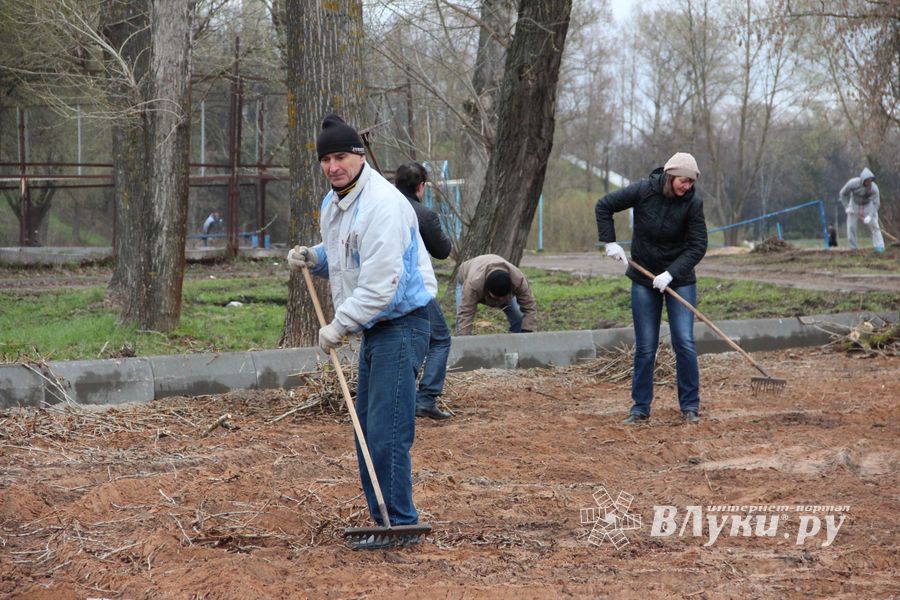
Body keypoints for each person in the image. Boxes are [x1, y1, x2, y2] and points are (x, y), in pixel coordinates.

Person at [286, 114, 437, 548]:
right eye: (325, 158)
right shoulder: (335, 203)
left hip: (402, 324)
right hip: (376, 329)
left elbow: (381, 285)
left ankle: (401, 525)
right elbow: (347, 254)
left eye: (341, 157)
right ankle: (384, 520)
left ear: (358, 156)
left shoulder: (385, 206)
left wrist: (338, 325)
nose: (333, 166)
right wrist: (315, 257)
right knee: (368, 428)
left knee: (387, 429)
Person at [595, 152, 708, 425]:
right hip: (644, 278)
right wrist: (610, 242)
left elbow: (698, 245)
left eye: (691, 183)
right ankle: (640, 407)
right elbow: (604, 206)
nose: (687, 187)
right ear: (670, 176)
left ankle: (690, 406)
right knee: (646, 346)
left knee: (684, 341)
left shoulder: (693, 204)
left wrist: (671, 274)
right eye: (683, 181)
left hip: (679, 281)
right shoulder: (643, 190)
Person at [395, 162, 453, 420]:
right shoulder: (423, 215)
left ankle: (403, 398)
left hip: (385, 289)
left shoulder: (383, 208)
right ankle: (425, 398)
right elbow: (443, 251)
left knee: (406, 342)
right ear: (421, 186)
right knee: (440, 339)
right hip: (414, 290)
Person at [455, 254, 537, 336]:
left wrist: (527, 331)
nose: (499, 300)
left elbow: (529, 306)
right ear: (487, 290)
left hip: (491, 275)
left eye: (502, 298)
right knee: (461, 321)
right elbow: (466, 313)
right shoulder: (473, 284)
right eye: (496, 298)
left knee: (518, 316)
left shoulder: (518, 280)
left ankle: (515, 342)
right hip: (465, 276)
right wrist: (465, 341)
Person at [839, 167, 884, 252]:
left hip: (868, 205)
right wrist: (846, 207)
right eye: (867, 180)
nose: (869, 182)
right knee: (851, 226)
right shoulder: (852, 183)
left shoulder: (874, 188)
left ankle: (879, 247)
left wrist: (870, 216)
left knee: (874, 226)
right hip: (854, 205)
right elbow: (842, 194)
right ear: (863, 179)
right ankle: (853, 248)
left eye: (870, 180)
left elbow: (876, 203)